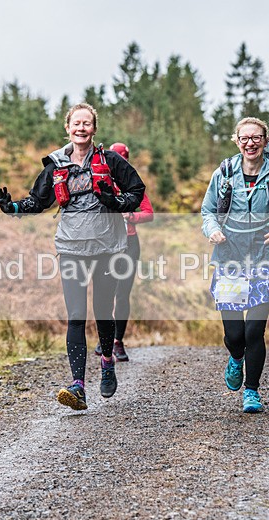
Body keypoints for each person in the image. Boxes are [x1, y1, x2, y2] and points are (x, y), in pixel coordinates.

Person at [0, 103, 145, 411]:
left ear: (94, 129)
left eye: (86, 123)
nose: (81, 128)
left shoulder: (111, 161)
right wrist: (11, 208)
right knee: (76, 314)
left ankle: (106, 361)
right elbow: (39, 201)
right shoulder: (56, 165)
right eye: (76, 123)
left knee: (103, 311)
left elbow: (137, 191)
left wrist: (114, 201)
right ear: (68, 128)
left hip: (107, 248)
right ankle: (78, 386)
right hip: (72, 249)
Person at [201, 117, 269, 414]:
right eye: (244, 138)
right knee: (235, 336)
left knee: (255, 331)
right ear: (236, 141)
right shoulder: (224, 174)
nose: (250, 143)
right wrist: (212, 230)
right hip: (229, 257)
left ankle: (252, 391)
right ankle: (235, 357)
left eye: (256, 138)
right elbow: (207, 211)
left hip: (264, 259)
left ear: (265, 141)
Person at [93, 142, 154, 362]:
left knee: (122, 294)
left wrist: (130, 217)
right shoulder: (100, 179)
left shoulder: (131, 180)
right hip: (106, 244)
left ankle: (118, 341)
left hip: (129, 243)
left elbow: (149, 212)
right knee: (104, 293)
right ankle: (106, 338)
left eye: (123, 158)